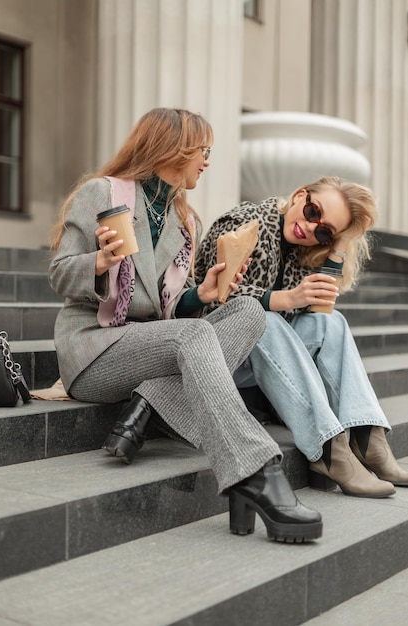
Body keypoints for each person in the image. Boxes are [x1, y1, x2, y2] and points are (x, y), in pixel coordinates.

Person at [48, 107, 322, 543]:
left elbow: (168, 308)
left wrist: (204, 294)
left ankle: (154, 400)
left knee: (250, 312)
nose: (207, 161)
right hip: (93, 349)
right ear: (172, 148)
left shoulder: (186, 221)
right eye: (203, 150)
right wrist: (101, 261)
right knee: (196, 335)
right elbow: (60, 273)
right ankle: (253, 469)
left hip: (149, 344)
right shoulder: (101, 194)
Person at [196, 176, 408, 499]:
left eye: (323, 231)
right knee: (264, 320)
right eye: (312, 211)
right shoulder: (243, 224)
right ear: (299, 196)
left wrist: (338, 244)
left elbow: (322, 310)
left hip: (267, 368)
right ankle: (328, 450)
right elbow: (215, 299)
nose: (311, 228)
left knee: (332, 323)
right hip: (217, 356)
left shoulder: (299, 252)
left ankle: (367, 438)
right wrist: (286, 299)